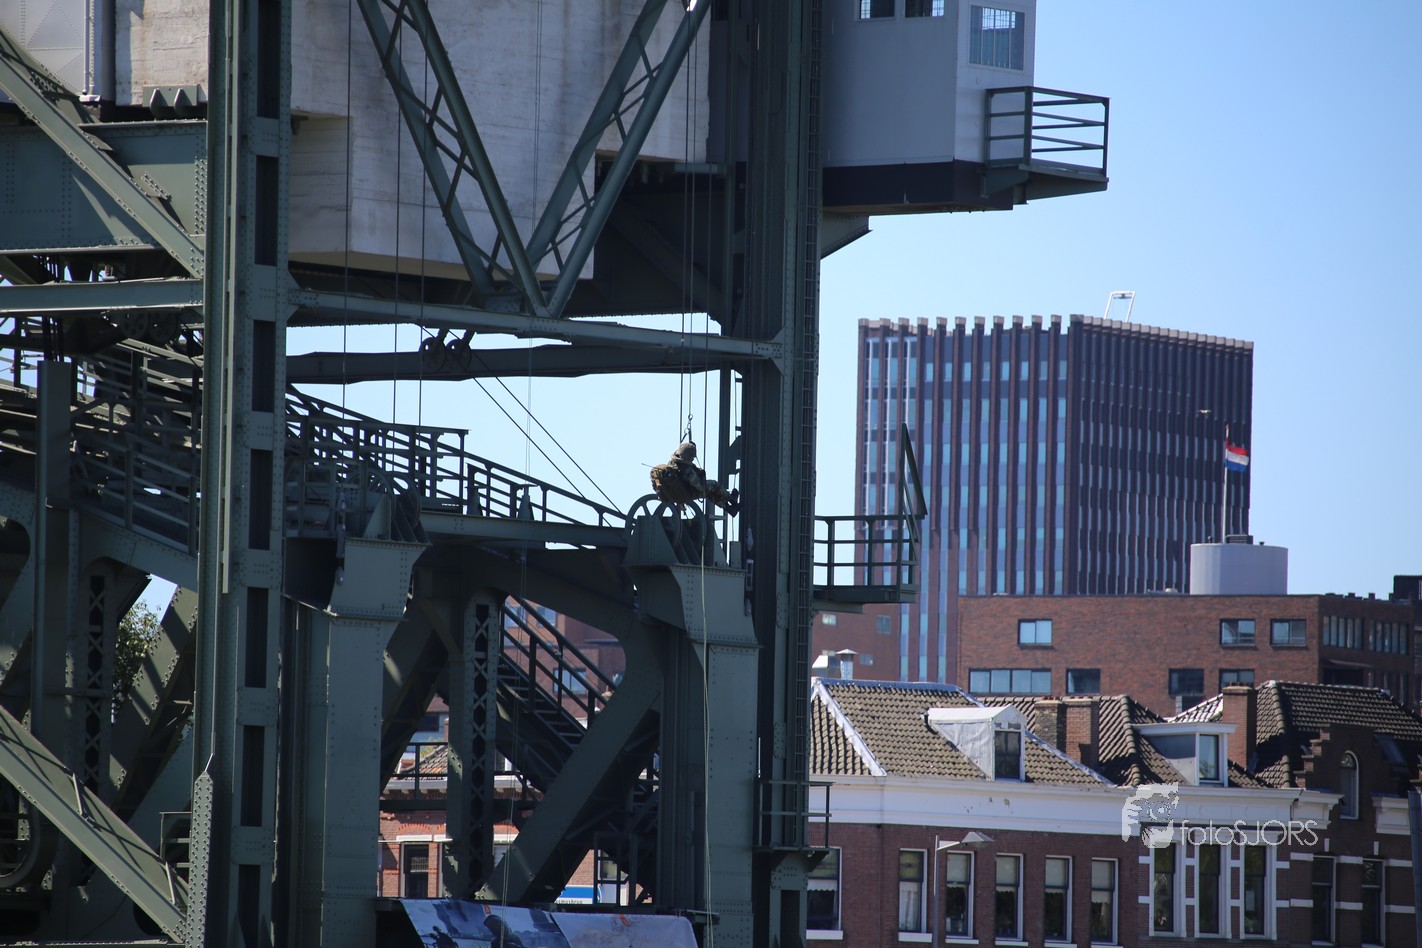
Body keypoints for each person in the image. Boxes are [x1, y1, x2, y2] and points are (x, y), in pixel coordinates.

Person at [649, 441, 740, 515]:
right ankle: (731, 498)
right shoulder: (687, 470)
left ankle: (729, 508)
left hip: (678, 493)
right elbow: (699, 487)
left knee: (709, 494)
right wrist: (701, 477)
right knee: (713, 485)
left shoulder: (672, 463)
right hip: (688, 493)